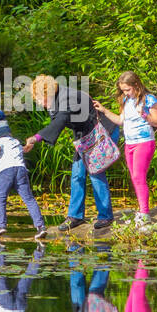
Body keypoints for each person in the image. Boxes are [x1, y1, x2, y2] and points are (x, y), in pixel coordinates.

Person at [24, 75, 119, 232]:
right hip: (85, 135)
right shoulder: (57, 99)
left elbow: (60, 121)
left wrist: (36, 138)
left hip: (101, 131)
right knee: (77, 174)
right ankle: (75, 217)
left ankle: (106, 216)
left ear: (48, 92)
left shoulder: (66, 98)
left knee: (95, 172)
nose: (40, 103)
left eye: (41, 99)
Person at [93, 71, 157, 218]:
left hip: (144, 142)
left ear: (136, 85)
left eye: (127, 90)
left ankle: (144, 213)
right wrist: (103, 110)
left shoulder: (149, 99)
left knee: (138, 176)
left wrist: (145, 115)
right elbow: (120, 120)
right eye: (123, 90)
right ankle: (141, 209)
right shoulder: (126, 100)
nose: (125, 93)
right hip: (129, 144)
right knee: (134, 177)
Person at [0, 110, 47, 238]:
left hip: (6, 171)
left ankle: (1, 226)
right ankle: (41, 227)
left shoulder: (0, 141)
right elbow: (26, 149)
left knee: (1, 198)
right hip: (21, 170)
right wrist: (28, 143)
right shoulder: (14, 141)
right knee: (29, 199)